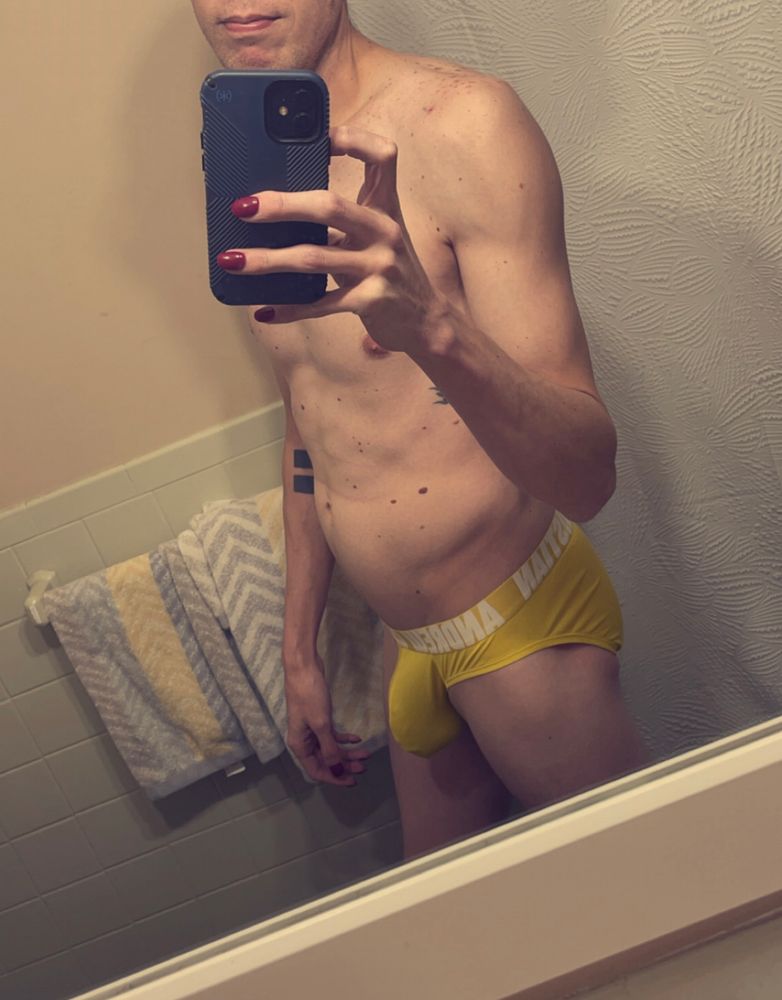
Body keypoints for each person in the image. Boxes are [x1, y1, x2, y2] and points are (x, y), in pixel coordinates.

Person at [191, 0, 652, 858]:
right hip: (410, 646)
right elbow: (311, 417)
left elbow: (589, 477)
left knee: (648, 897)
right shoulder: (253, 157)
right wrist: (299, 650)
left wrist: (433, 326)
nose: (234, 2)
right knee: (456, 926)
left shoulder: (462, 122)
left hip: (518, 629)